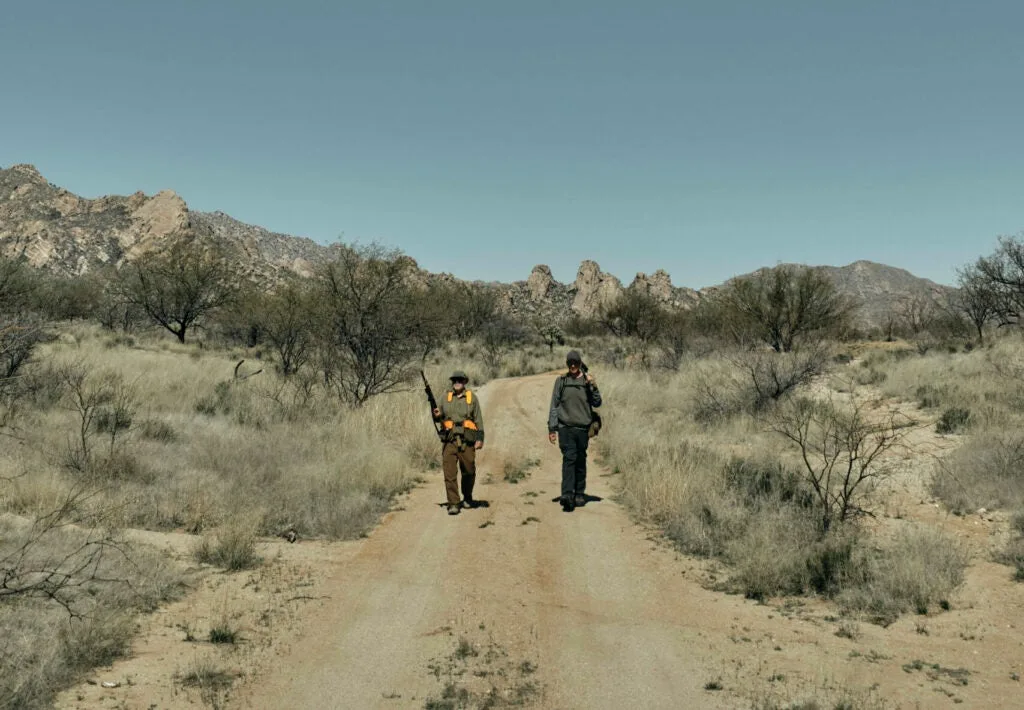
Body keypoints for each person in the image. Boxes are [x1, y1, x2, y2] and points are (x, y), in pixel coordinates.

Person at [548, 350, 602, 512]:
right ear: (567, 364)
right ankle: (567, 494)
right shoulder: (561, 381)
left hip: (582, 429)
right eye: (570, 363)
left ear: (579, 364)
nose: (572, 365)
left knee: (580, 460)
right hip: (565, 428)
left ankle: (579, 493)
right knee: (569, 459)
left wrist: (593, 385)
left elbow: (597, 403)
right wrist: (552, 428)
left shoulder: (587, 381)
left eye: (575, 363)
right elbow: (554, 406)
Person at [433, 371, 485, 515]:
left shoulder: (472, 398)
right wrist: (437, 415)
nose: (457, 382)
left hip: (467, 440)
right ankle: (453, 503)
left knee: (469, 471)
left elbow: (478, 419)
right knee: (449, 473)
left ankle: (467, 497)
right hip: (449, 440)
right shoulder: (445, 397)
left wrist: (480, 438)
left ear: (465, 382)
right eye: (455, 380)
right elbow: (439, 417)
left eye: (460, 380)